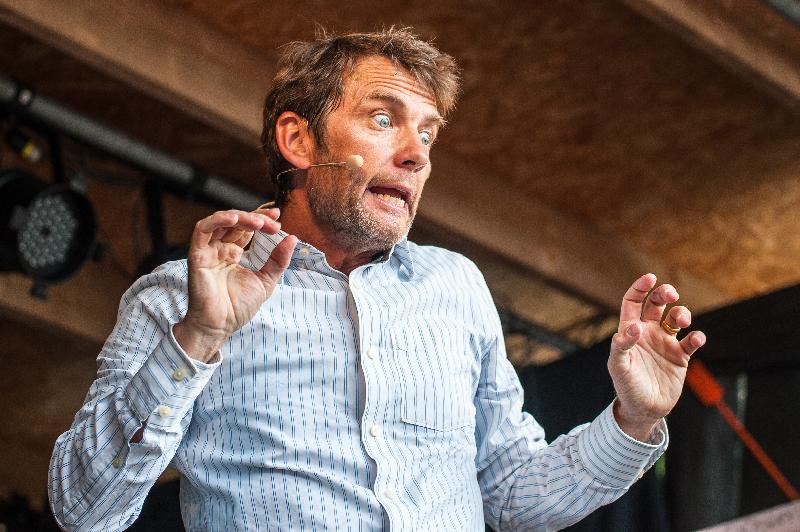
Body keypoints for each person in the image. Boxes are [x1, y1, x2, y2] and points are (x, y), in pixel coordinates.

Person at [49, 28, 706, 531]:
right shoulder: (179, 298)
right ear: (298, 141)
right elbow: (83, 510)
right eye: (384, 119)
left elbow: (511, 494)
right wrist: (196, 338)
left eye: (428, 134)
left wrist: (634, 418)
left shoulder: (455, 287)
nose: (416, 154)